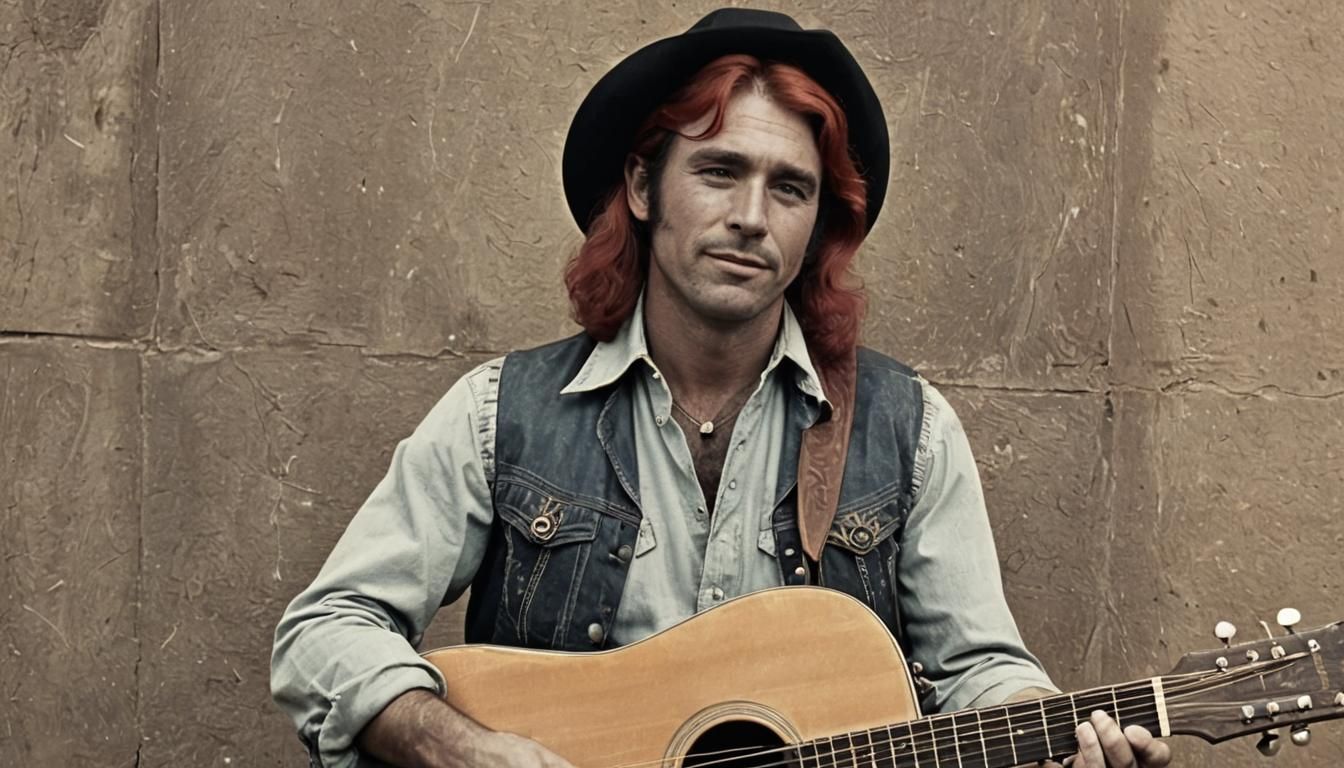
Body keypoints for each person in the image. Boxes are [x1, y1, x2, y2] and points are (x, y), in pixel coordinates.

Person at [271, 9, 1172, 768]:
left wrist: (1053, 727)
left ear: (819, 224)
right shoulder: (500, 414)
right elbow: (324, 630)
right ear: (641, 186)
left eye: (790, 188)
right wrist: (456, 745)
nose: (750, 216)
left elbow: (978, 670)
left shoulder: (911, 433)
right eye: (718, 170)